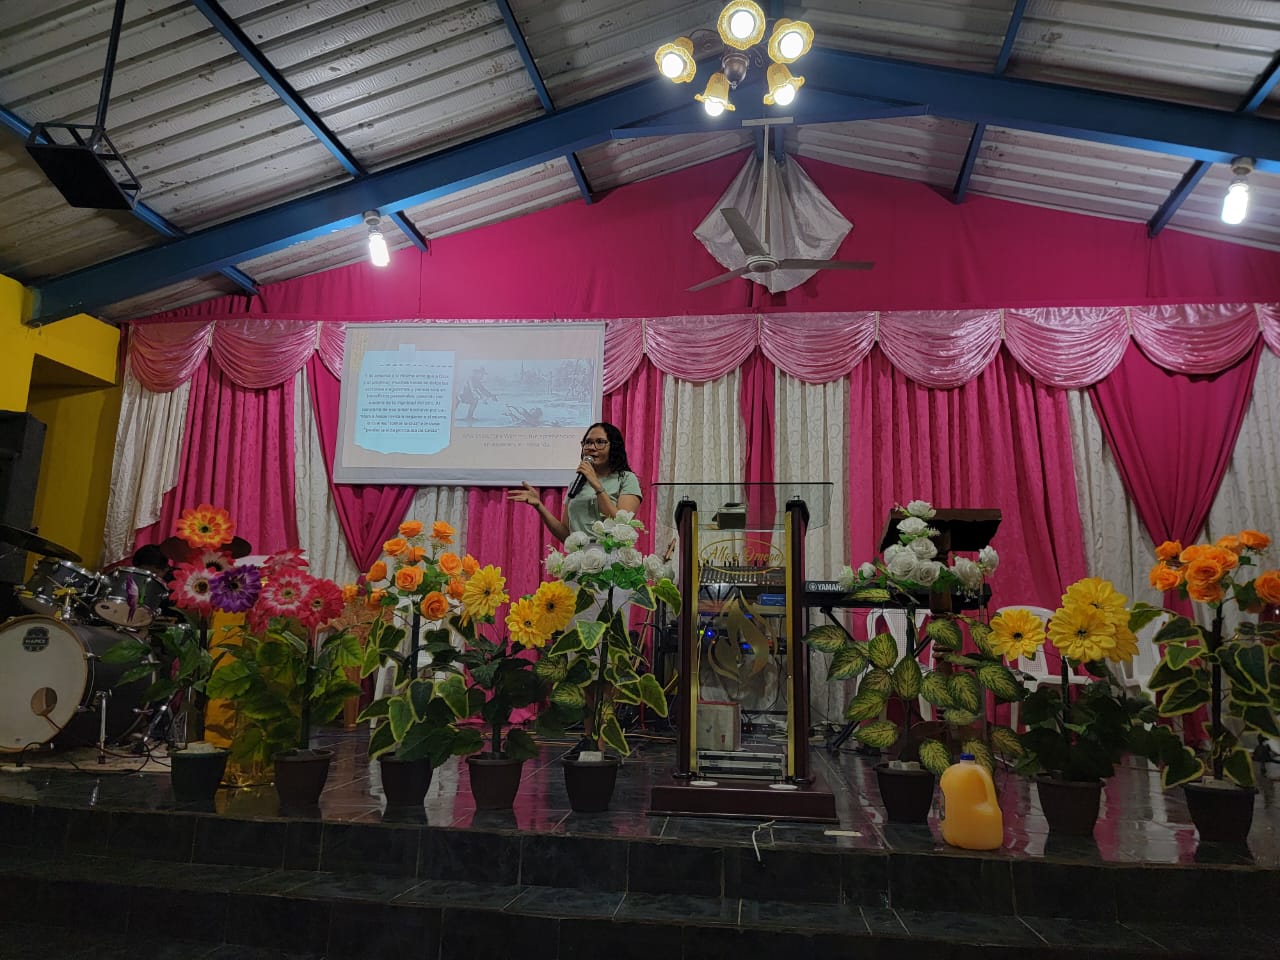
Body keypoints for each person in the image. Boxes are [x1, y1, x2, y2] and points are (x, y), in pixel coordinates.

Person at [507, 421, 642, 543]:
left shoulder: (626, 478)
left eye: (600, 442)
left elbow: (621, 525)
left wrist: (596, 484)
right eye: (588, 442)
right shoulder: (577, 483)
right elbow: (567, 536)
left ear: (614, 447)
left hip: (612, 557)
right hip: (579, 558)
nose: (592, 447)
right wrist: (539, 506)